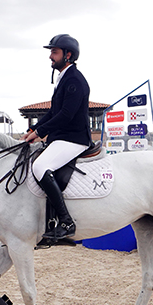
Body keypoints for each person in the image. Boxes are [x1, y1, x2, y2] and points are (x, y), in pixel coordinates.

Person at [21, 34, 91, 241]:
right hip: (62, 137)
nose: (50, 57)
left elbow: (65, 115)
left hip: (75, 138)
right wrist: (34, 130)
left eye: (54, 52)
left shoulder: (75, 81)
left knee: (40, 167)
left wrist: (40, 133)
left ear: (68, 55)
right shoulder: (64, 78)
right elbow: (53, 112)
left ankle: (66, 222)